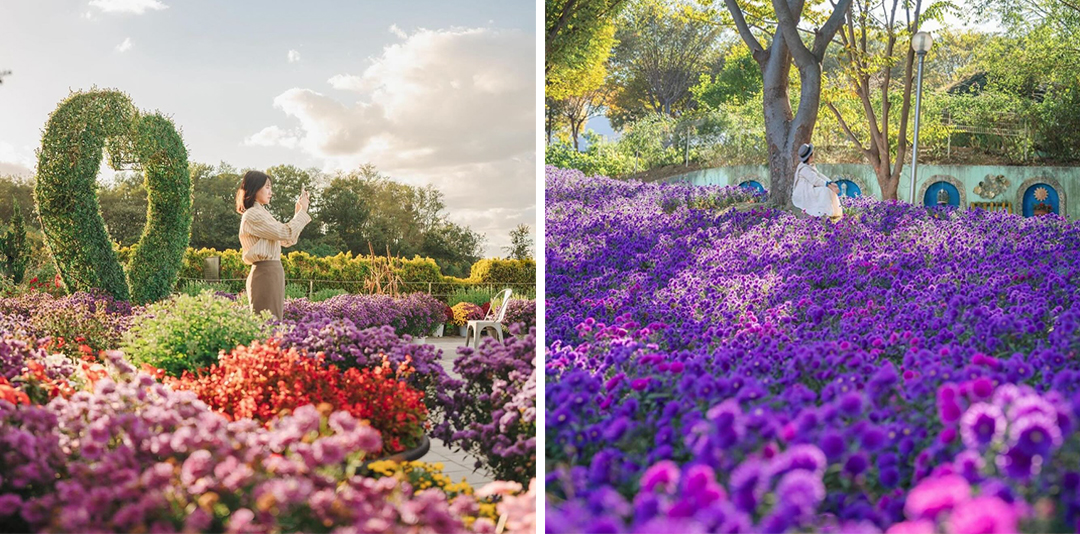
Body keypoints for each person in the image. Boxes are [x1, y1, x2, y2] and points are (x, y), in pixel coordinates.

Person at [236, 170, 311, 320]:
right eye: (267, 187)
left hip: (273, 271)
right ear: (255, 188)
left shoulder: (263, 213)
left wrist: (298, 214)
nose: (271, 192)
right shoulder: (253, 214)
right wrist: (302, 212)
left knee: (273, 322)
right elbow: (286, 233)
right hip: (265, 272)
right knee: (268, 324)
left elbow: (287, 240)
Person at [791, 143, 843, 220]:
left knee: (828, 190)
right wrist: (828, 185)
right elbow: (815, 180)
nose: (813, 156)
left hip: (810, 188)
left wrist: (830, 182)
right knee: (824, 191)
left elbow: (819, 175)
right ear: (809, 157)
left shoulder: (810, 166)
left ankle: (832, 213)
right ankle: (824, 213)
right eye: (812, 154)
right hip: (804, 192)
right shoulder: (804, 169)